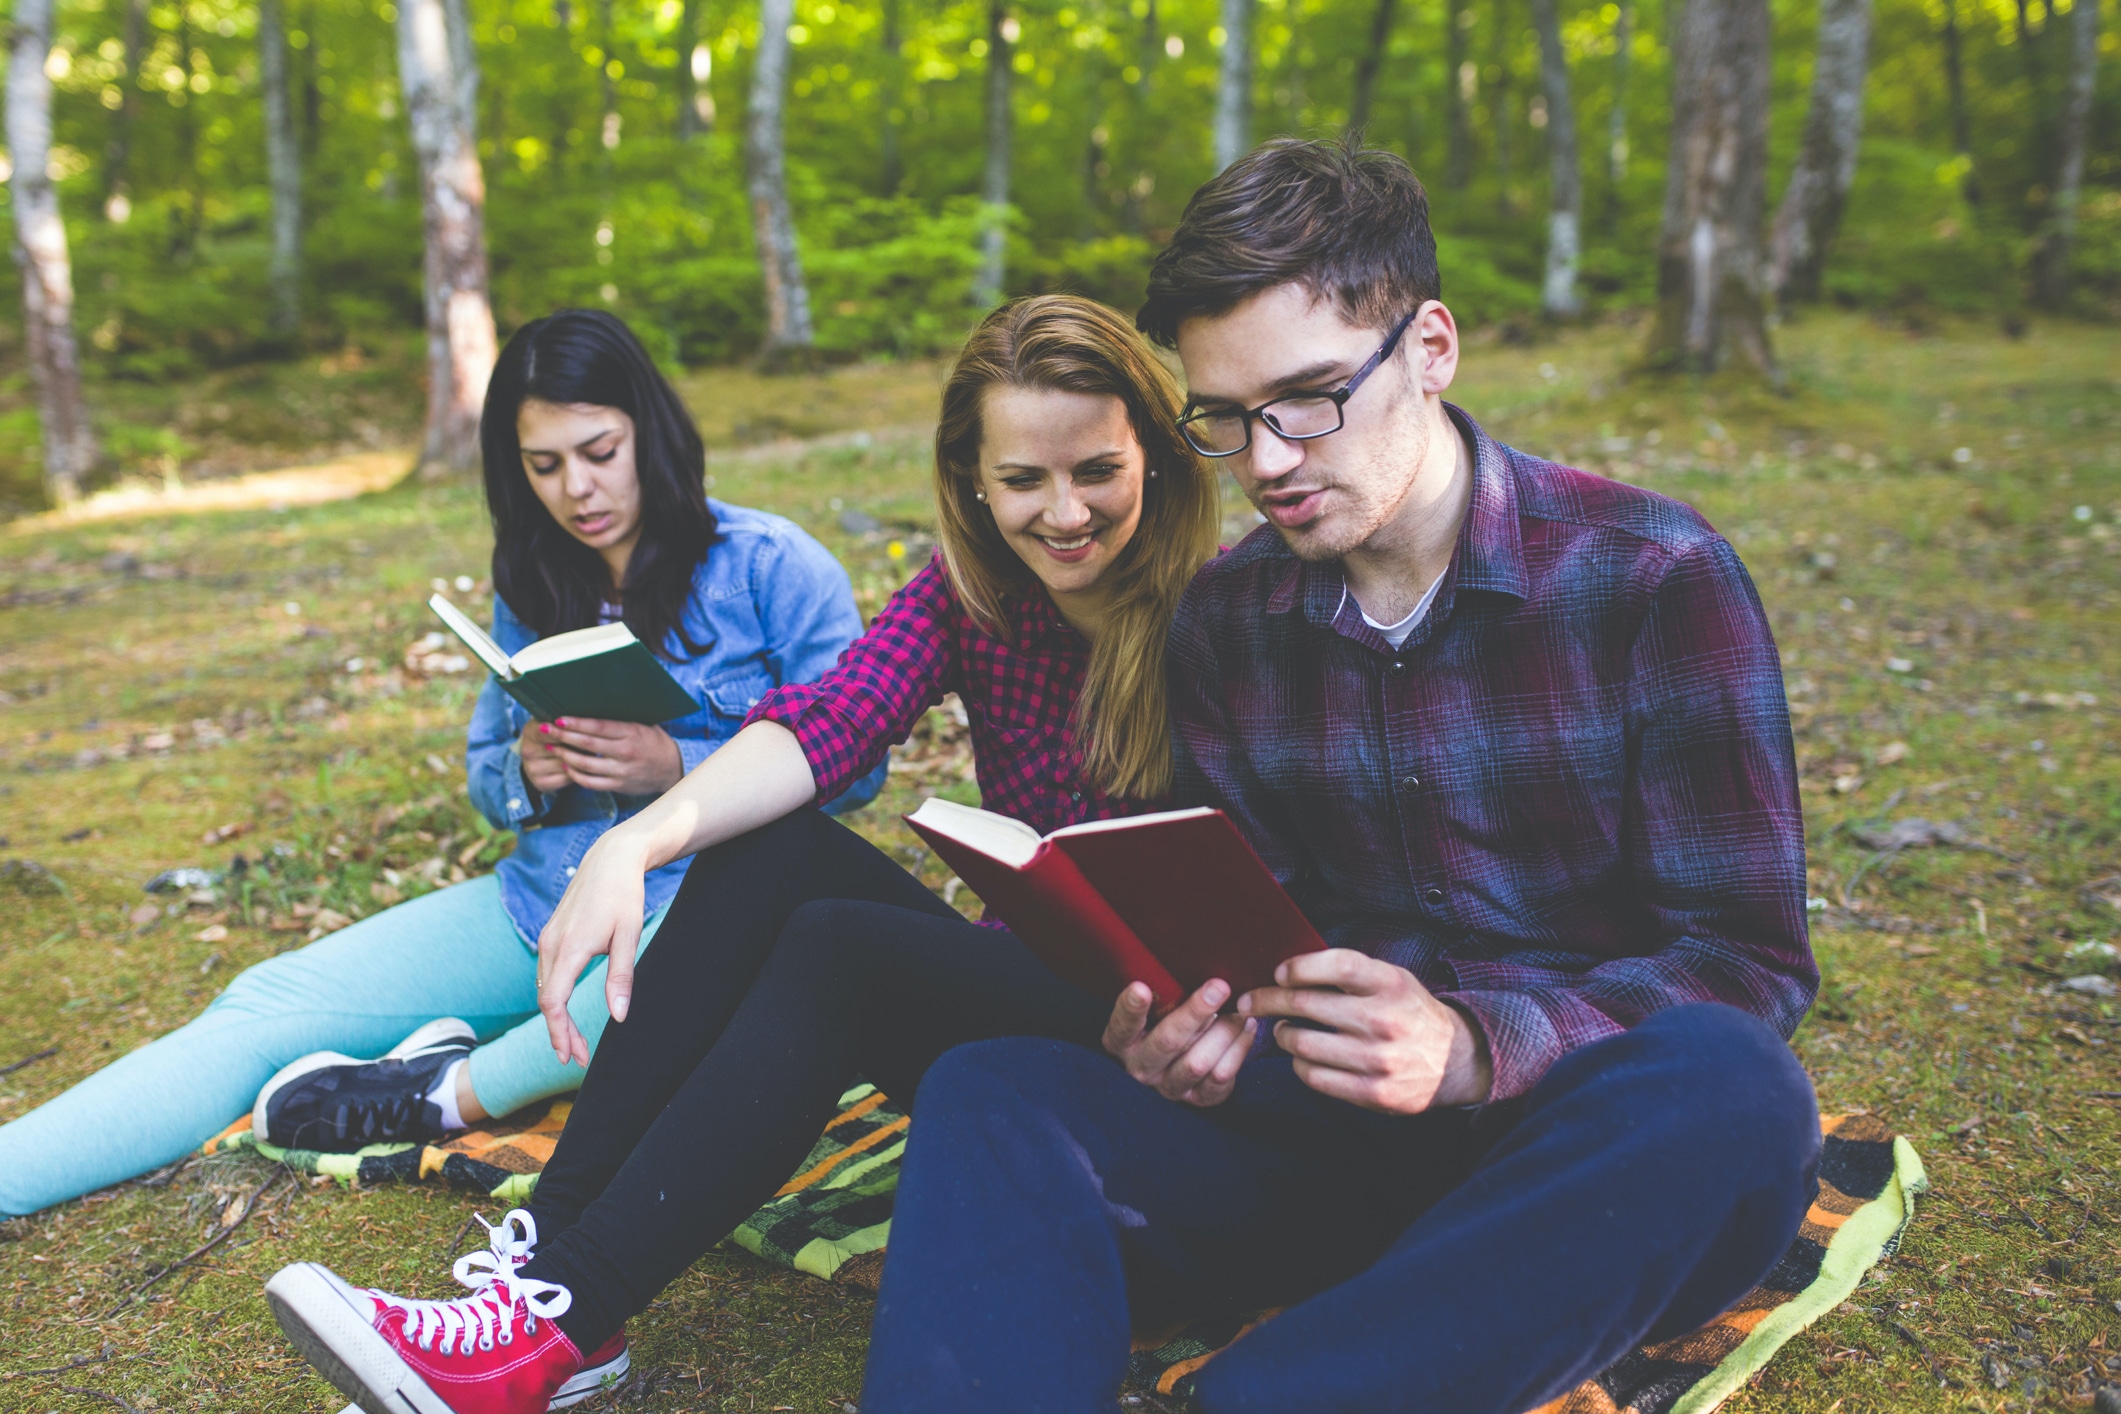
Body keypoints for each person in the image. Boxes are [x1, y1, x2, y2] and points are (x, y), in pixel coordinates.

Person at [856, 136, 1824, 1413]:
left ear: (1430, 347)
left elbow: (1749, 966)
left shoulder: (1652, 578)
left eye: (1307, 398)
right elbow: (1247, 924)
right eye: (1224, 418)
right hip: (1322, 1142)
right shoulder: (1227, 619)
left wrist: (1475, 1046)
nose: (1264, 462)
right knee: (995, 1089)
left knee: (1740, 1094)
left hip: (1567, 1159)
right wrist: (1192, 1033)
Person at [261, 293, 1225, 1413]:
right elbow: (834, 719)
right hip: (1032, 988)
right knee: (765, 848)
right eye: (1023, 481)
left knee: (841, 947)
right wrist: (639, 839)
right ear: (972, 478)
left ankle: (547, 1327)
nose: (1063, 513)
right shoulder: (978, 593)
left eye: (1096, 470)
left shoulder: (1229, 612)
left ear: (1154, 454)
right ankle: (551, 1271)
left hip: (1166, 1056)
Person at [0, 309, 881, 1219]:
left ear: (648, 430)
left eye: (599, 450)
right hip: (542, 903)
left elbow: (857, 774)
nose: (578, 488)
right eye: (544, 465)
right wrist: (528, 770)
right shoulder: (537, 579)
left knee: (677, 976)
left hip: (702, 914)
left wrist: (675, 764)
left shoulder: (777, 568)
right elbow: (486, 774)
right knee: (267, 1001)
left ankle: (442, 1092)